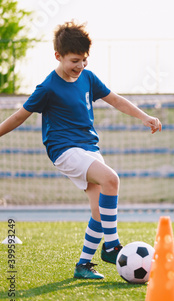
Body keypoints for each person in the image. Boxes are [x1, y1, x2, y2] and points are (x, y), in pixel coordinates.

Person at [0, 21, 162, 279]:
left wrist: (144, 117)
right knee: (112, 179)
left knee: (100, 210)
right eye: (75, 60)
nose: (80, 66)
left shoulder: (87, 77)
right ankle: (112, 246)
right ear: (58, 56)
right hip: (64, 150)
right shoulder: (47, 87)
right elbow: (20, 117)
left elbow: (115, 99)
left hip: (89, 148)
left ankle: (83, 265)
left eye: (84, 60)